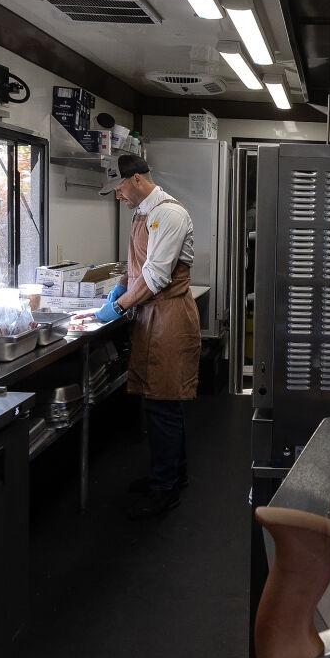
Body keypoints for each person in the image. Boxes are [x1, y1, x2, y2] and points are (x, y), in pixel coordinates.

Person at [98, 154, 200, 518]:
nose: (117, 195)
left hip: (168, 317)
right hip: (150, 315)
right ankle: (174, 475)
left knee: (163, 404)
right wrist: (121, 287)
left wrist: (119, 306)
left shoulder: (168, 214)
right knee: (160, 403)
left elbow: (156, 276)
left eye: (120, 188)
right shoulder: (141, 212)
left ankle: (165, 488)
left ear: (137, 180)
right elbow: (137, 266)